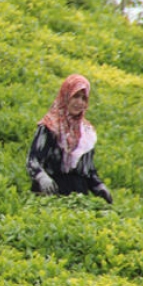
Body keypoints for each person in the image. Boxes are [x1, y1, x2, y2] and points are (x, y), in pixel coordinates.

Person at [26, 74, 113, 204]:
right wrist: (42, 177)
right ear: (66, 96)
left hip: (77, 196)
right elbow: (33, 160)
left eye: (84, 98)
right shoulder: (49, 126)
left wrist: (98, 186)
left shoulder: (86, 132)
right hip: (50, 192)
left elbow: (87, 171)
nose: (80, 102)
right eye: (76, 96)